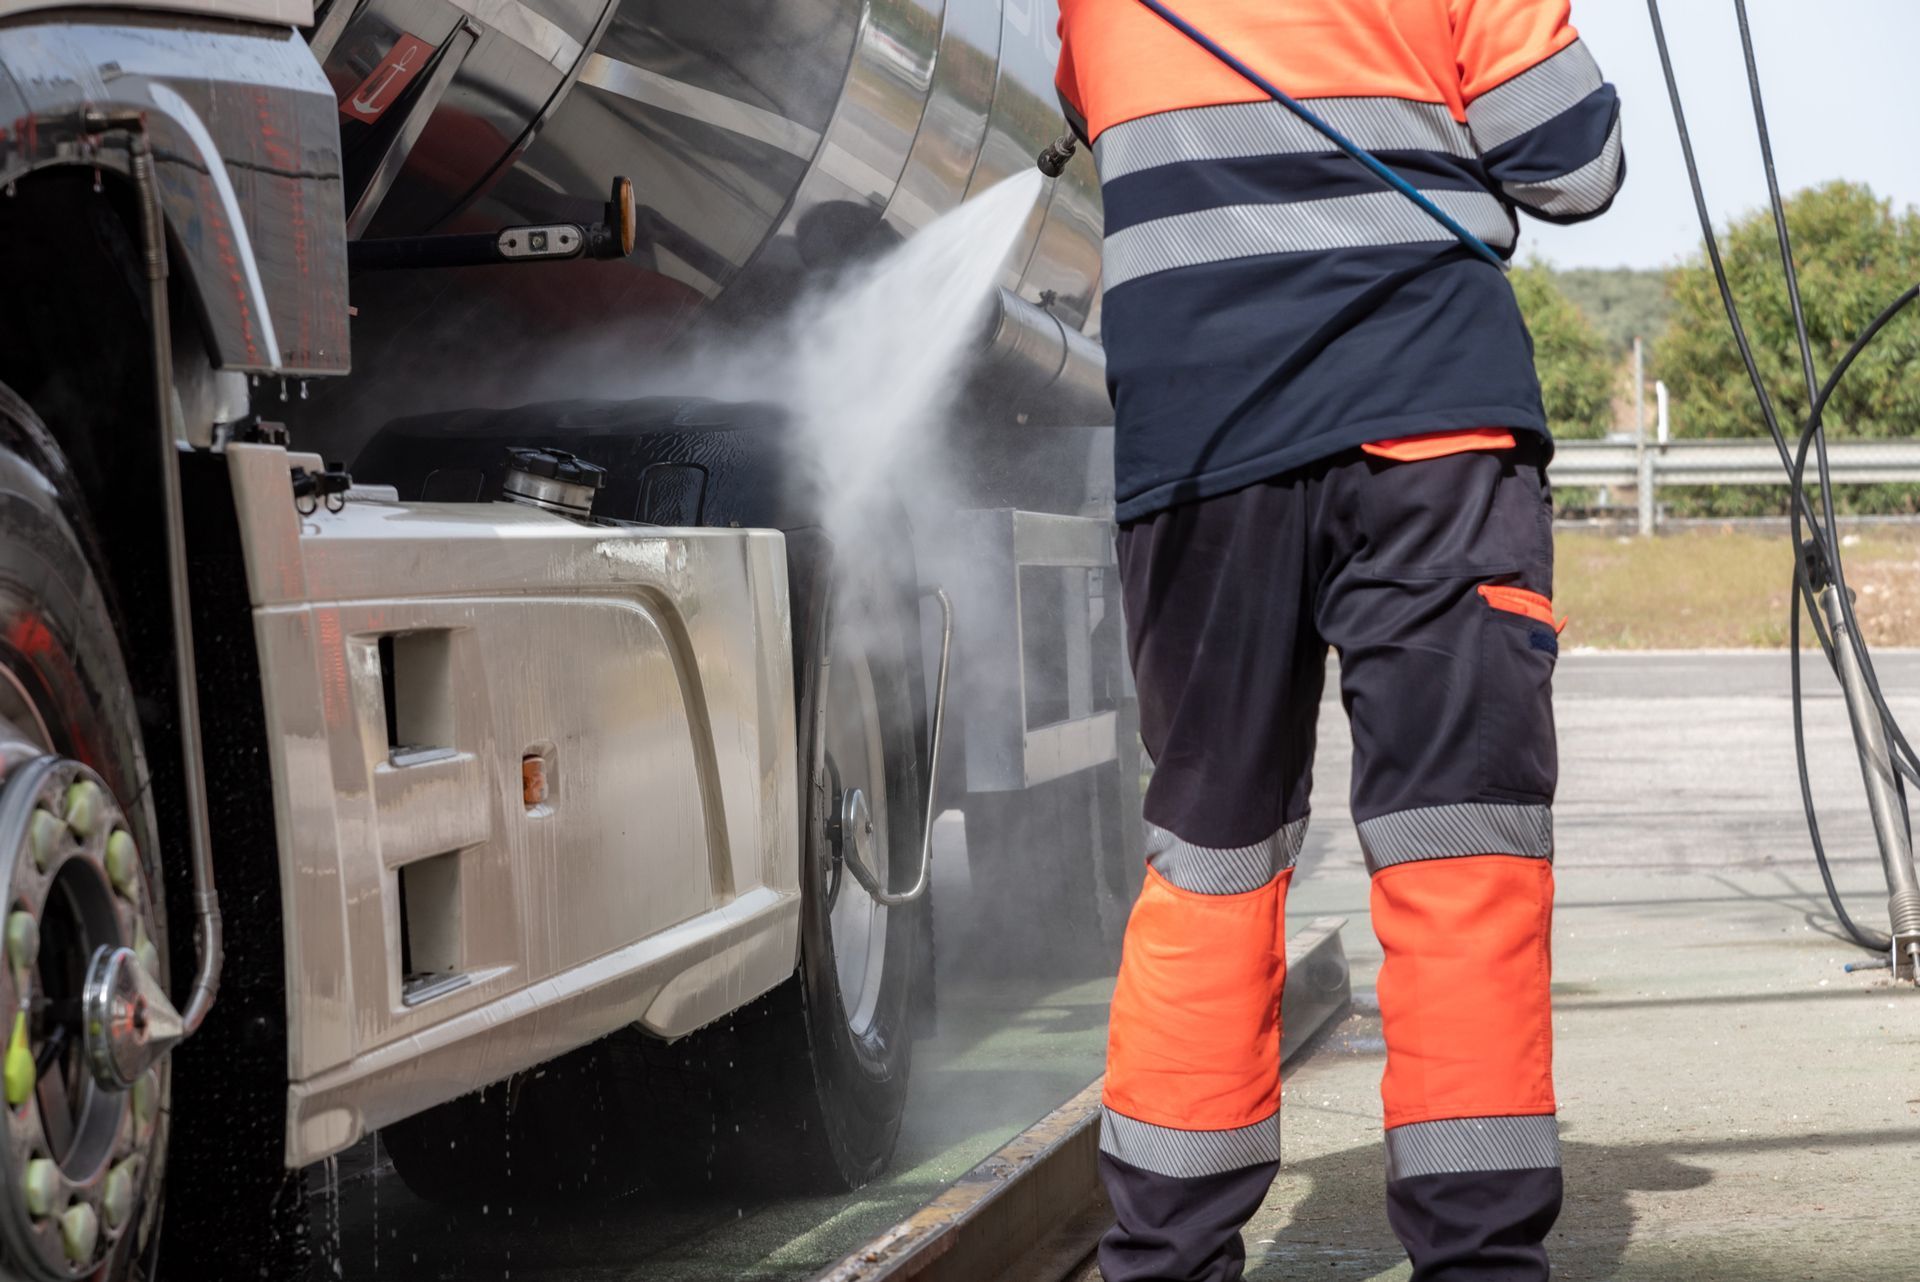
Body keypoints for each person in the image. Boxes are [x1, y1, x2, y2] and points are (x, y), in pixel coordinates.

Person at [1052, 2, 1624, 1278]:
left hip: (1195, 451)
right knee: (1458, 851)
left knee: (1210, 856)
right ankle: (1476, 1259)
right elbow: (1575, 162)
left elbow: (1094, 113)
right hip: (1431, 436)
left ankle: (1164, 1257)